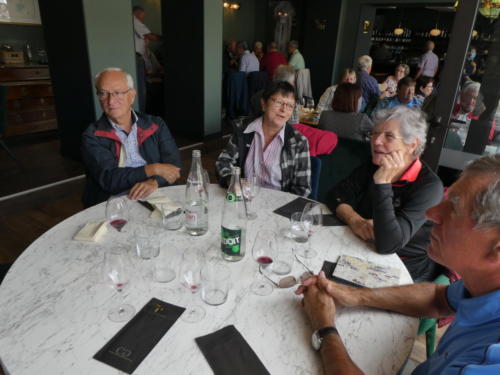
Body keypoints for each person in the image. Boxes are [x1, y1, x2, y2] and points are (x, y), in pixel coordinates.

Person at [296, 154, 500, 375]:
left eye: (454, 209)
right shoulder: (484, 287)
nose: (431, 214)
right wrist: (352, 295)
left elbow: (389, 241)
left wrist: (324, 326)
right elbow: (438, 298)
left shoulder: (486, 364)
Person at [326, 106, 443, 281]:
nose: (376, 141)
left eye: (388, 136)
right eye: (374, 133)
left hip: (403, 268)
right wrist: (354, 219)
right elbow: (335, 195)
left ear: (412, 145)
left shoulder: (429, 187)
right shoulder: (373, 164)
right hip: (363, 248)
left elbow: (388, 244)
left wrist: (382, 183)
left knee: (328, 286)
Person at [81, 68, 181, 207]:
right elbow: (110, 179)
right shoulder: (92, 135)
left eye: (118, 93)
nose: (110, 101)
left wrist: (154, 181)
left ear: (132, 96)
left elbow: (173, 165)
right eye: (103, 93)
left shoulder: (156, 124)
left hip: (155, 190)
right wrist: (153, 169)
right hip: (115, 200)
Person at [216, 81, 311, 197]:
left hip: (278, 207)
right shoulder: (243, 131)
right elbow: (223, 161)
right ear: (264, 104)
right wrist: (232, 180)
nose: (284, 109)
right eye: (279, 102)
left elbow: (302, 189)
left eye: (290, 105)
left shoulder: (298, 142)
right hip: (244, 200)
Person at [132, 6, 161, 111]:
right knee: (141, 89)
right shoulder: (133, 20)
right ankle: (142, 113)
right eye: (142, 17)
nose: (142, 20)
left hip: (140, 59)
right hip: (137, 57)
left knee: (142, 87)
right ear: (136, 14)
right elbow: (150, 35)